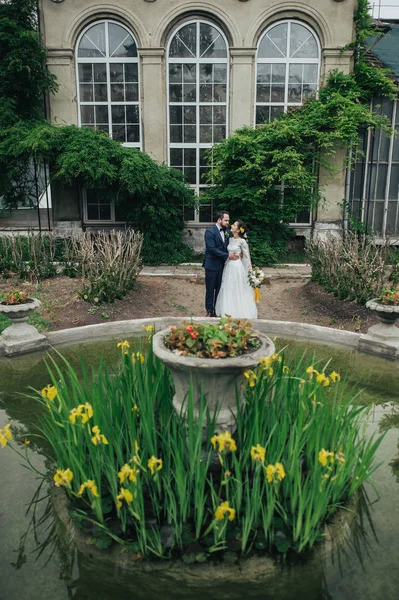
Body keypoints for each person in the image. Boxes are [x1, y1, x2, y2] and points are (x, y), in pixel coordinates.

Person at [215, 220, 258, 319]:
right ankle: (227, 310)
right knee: (228, 287)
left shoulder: (242, 241)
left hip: (237, 267)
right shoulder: (229, 239)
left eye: (234, 225)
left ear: (238, 230)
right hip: (228, 266)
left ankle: (238, 311)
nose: (232, 225)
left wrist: (250, 271)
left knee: (237, 287)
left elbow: (247, 257)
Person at [203, 211, 240, 317]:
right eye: (226, 220)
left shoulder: (228, 232)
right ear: (219, 220)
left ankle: (217, 309)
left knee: (220, 289)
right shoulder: (209, 232)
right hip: (211, 265)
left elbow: (233, 243)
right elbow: (211, 249)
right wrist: (227, 255)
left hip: (223, 266)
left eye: (228, 220)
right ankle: (209, 311)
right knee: (210, 289)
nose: (228, 222)